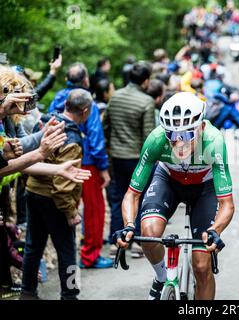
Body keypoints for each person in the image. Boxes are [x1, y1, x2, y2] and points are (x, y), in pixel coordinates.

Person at [114, 92, 235, 300]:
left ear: (202, 128)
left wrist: (215, 230)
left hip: (204, 188)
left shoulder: (214, 141)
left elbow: (227, 204)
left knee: (201, 264)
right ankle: (162, 278)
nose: (179, 143)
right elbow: (132, 194)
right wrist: (128, 225)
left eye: (187, 135)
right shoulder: (156, 139)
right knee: (149, 231)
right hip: (169, 180)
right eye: (172, 134)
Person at [21, 89, 93, 300]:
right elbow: (62, 183)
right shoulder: (70, 136)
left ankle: (27, 292)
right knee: (67, 251)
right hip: (55, 200)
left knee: (33, 246)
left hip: (32, 191)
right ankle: (70, 295)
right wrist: (71, 212)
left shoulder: (45, 123)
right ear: (85, 111)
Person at [48, 62, 111, 269]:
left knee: (66, 206)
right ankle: (89, 256)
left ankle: (65, 253)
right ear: (85, 80)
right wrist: (103, 168)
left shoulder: (58, 99)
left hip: (57, 162)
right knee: (94, 209)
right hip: (86, 162)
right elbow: (95, 136)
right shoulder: (86, 102)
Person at [103, 61, 154, 258]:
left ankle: (116, 241)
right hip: (137, 158)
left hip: (117, 156)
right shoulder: (146, 101)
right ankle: (138, 242)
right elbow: (149, 136)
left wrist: (111, 145)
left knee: (118, 197)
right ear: (146, 80)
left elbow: (106, 125)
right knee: (139, 197)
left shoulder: (115, 97)